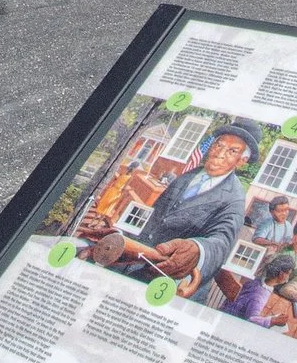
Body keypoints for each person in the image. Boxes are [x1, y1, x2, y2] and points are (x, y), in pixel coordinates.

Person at [77, 118, 260, 296]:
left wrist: (197, 249)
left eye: (232, 151)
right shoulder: (187, 176)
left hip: (167, 281)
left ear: (242, 161)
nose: (220, 153)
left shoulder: (234, 198)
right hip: (134, 264)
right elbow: (154, 218)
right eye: (219, 145)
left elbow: (222, 241)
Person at [222, 251, 297, 330]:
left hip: (225, 313)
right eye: (288, 274)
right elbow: (251, 319)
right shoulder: (259, 296)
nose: (288, 278)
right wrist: (272, 321)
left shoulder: (256, 281)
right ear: (281, 274)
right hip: (232, 325)